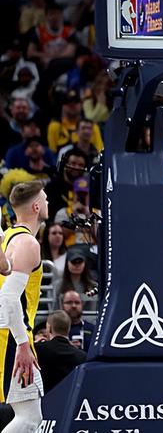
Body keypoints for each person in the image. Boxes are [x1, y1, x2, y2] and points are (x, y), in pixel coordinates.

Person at [0, 181, 49, 431]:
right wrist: (22, 344)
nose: (48, 203)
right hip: (11, 335)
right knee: (29, 418)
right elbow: (9, 298)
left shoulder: (8, 237)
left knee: (29, 415)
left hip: (10, 331)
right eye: (46, 199)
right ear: (37, 207)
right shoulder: (27, 243)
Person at [34, 310, 86, 393]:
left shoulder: (38, 350)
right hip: (71, 399)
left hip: (46, 398)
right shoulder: (82, 356)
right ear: (69, 328)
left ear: (49, 328)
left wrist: (34, 344)